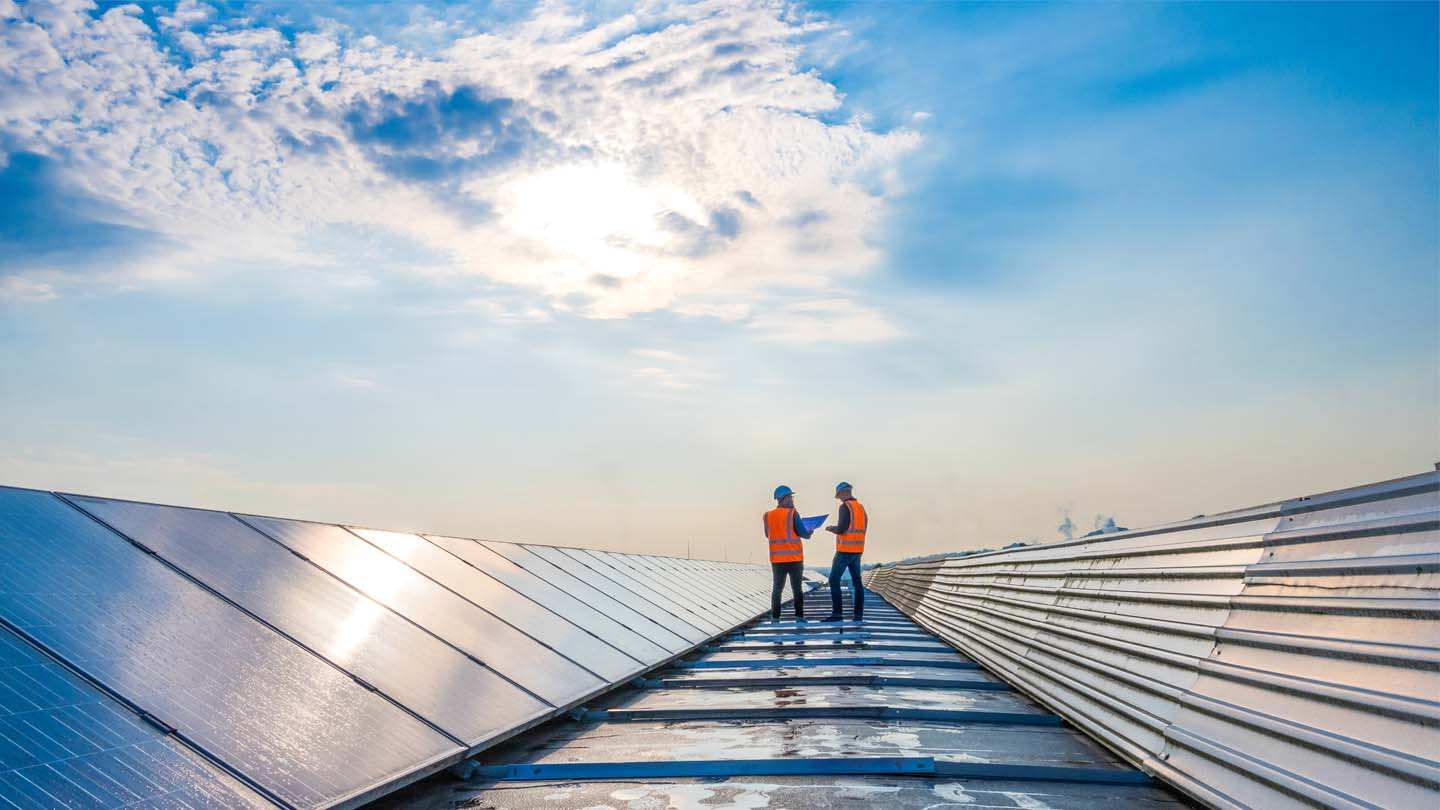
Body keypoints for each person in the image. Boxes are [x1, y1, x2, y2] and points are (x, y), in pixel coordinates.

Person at [764, 484, 813, 622]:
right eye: (790, 497)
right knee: (797, 589)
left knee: (777, 589)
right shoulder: (793, 513)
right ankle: (799, 616)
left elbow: (768, 535)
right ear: (783, 499)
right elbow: (803, 533)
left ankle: (775, 618)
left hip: (777, 560)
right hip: (794, 558)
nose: (792, 500)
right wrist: (809, 532)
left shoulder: (767, 516)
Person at [822, 481, 867, 621]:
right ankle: (858, 615)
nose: (839, 498)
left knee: (833, 580)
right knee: (857, 582)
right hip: (858, 550)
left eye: (839, 494)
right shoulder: (860, 508)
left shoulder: (845, 507)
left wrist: (831, 529)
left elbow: (842, 528)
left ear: (843, 492)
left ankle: (837, 614)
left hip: (845, 550)